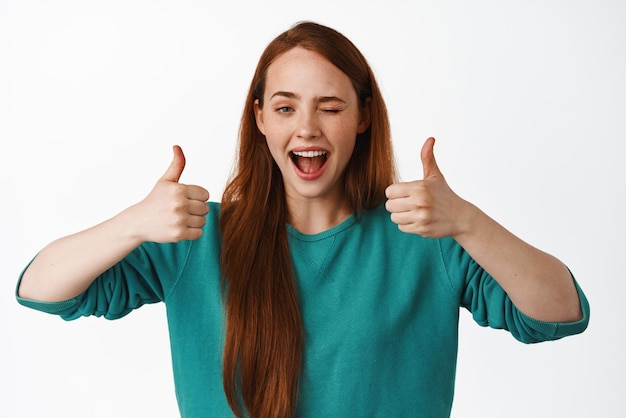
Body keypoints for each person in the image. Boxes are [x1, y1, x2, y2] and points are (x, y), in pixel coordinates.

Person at [16, 21, 589, 418]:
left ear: (364, 116)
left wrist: (468, 222)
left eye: (331, 107)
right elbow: (40, 290)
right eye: (286, 107)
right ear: (260, 119)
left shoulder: (424, 237)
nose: (307, 128)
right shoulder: (195, 238)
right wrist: (132, 224)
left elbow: (561, 313)